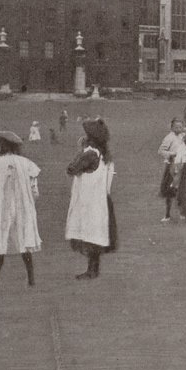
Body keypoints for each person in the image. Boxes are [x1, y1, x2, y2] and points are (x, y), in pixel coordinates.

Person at [0, 131, 41, 288]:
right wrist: (29, 202)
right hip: (22, 206)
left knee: (1, 240)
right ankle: (31, 279)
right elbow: (35, 190)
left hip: (1, 206)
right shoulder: (26, 163)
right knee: (23, 240)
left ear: (2, 145)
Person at [65, 118, 117, 280]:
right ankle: (93, 269)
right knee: (95, 233)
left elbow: (71, 169)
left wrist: (81, 150)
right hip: (100, 199)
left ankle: (92, 271)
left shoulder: (89, 154)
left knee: (89, 233)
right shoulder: (103, 154)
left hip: (89, 200)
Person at [157, 118, 186, 223]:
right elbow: (160, 150)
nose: (179, 129)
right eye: (176, 127)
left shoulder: (183, 136)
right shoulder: (169, 138)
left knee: (182, 190)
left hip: (181, 166)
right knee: (169, 191)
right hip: (171, 167)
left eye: (180, 127)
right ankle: (167, 214)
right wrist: (172, 154)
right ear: (172, 127)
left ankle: (183, 213)